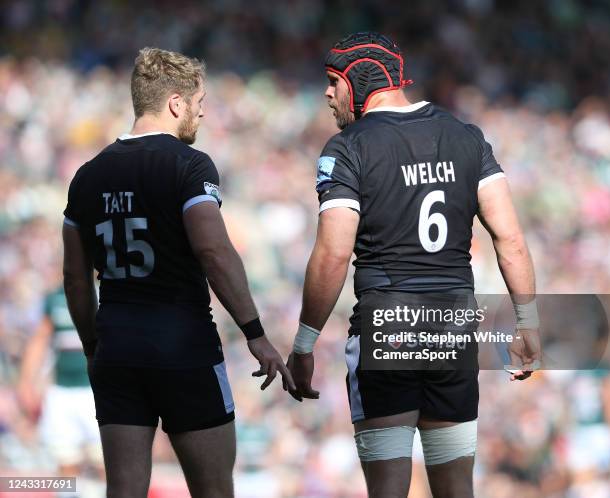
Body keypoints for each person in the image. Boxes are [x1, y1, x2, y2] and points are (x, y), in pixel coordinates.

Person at [287, 32, 541, 498]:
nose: (327, 94)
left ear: (359, 81)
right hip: (451, 324)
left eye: (332, 82)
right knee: (456, 489)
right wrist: (527, 323)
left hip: (388, 323)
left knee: (388, 490)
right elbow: (511, 241)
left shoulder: (348, 147)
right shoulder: (468, 137)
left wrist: (304, 344)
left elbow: (333, 254)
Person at [62, 47, 295, 498]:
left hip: (118, 348)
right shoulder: (190, 165)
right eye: (199, 102)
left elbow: (75, 278)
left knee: (123, 491)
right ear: (175, 103)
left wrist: (96, 346)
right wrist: (255, 333)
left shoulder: (86, 176)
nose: (203, 113)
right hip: (183, 347)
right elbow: (213, 249)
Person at [17, 283, 104, 490]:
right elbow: (40, 339)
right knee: (65, 462)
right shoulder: (54, 298)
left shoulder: (105, 293)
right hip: (62, 391)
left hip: (96, 391)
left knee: (105, 462)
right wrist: (26, 382)